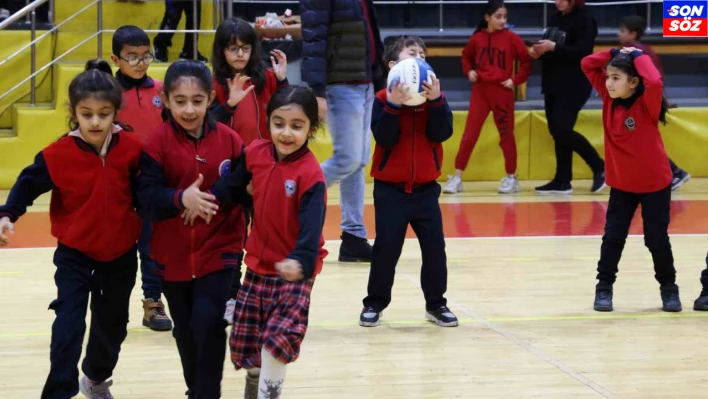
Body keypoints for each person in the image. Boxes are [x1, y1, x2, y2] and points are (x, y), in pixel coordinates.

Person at [0, 60, 143, 399]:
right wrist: (7, 214)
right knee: (68, 329)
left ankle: (95, 378)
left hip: (120, 256)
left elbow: (151, 191)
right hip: (75, 256)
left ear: (115, 113)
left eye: (104, 114)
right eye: (87, 113)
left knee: (111, 328)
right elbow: (27, 183)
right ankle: (58, 393)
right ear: (73, 111)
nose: (95, 121)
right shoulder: (57, 154)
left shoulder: (135, 150)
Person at [199, 85, 328, 399]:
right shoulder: (255, 152)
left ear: (311, 129)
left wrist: (301, 260)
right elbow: (232, 186)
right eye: (278, 123)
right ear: (269, 122)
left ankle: (269, 394)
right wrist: (206, 200)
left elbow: (312, 230)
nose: (286, 133)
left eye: (296, 126)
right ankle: (255, 382)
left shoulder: (311, 175)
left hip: (296, 271)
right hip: (257, 263)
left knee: (277, 340)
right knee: (249, 342)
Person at [137, 59, 247, 399]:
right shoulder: (155, 144)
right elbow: (147, 198)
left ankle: (206, 394)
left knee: (209, 323)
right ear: (166, 100)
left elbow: (242, 186)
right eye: (180, 101)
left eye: (197, 101)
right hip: (172, 254)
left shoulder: (231, 141)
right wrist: (180, 198)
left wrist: (211, 199)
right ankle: (195, 389)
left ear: (210, 99)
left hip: (221, 248)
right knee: (184, 331)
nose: (188, 109)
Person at [358, 35, 458, 328]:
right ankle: (374, 304)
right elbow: (385, 138)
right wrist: (393, 105)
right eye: (412, 54)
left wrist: (437, 101)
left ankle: (436, 304)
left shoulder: (435, 98)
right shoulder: (380, 100)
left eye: (423, 56)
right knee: (386, 250)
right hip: (391, 191)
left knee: (435, 250)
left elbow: (442, 133)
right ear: (393, 66)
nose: (420, 60)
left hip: (426, 191)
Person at [581, 47, 681, 312]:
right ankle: (603, 289)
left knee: (656, 239)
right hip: (623, 185)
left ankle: (669, 289)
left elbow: (655, 80)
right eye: (608, 76)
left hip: (654, 185)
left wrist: (637, 55)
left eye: (616, 78)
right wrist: (614, 51)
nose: (609, 83)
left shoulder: (646, 103)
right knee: (613, 237)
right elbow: (587, 63)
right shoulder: (607, 96)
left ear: (634, 82)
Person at [299, 0, 387, 262]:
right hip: (340, 82)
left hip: (365, 81)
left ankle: (353, 237)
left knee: (358, 161)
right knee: (347, 159)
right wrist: (317, 90)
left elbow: (371, 35)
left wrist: (378, 78)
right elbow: (313, 37)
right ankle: (291, 197)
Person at [110, 24, 173, 332]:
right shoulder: (108, 92)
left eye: (145, 55)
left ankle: (153, 303)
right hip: (118, 181)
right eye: (131, 57)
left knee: (151, 244)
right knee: (118, 245)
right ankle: (111, 303)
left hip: (152, 180)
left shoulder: (161, 90)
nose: (139, 62)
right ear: (115, 58)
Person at [444, 0, 532, 194]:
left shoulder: (512, 39)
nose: (502, 20)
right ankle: (457, 177)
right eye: (498, 16)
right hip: (481, 92)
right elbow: (466, 56)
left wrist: (515, 80)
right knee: (470, 135)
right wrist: (469, 72)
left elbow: (526, 61)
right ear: (487, 18)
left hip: (502, 92)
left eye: (505, 17)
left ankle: (511, 177)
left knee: (506, 136)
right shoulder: (477, 38)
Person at [530, 0, 606, 195]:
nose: (557, 2)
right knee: (558, 132)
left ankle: (600, 166)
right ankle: (562, 180)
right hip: (552, 83)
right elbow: (550, 47)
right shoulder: (556, 17)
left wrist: (553, 47)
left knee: (562, 129)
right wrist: (538, 51)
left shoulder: (586, 20)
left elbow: (583, 52)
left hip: (574, 84)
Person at [617, 15, 691, 190]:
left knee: (642, 142)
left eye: (623, 31)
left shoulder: (632, 51)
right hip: (642, 102)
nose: (619, 34)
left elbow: (649, 79)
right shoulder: (641, 50)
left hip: (640, 104)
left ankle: (675, 172)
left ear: (633, 34)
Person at [209, 17, 289, 146]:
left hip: (264, 153)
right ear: (221, 50)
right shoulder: (214, 84)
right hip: (230, 158)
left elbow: (287, 110)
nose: (240, 54)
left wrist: (282, 80)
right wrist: (230, 104)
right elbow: (207, 124)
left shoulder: (268, 76)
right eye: (233, 48)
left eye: (246, 48)